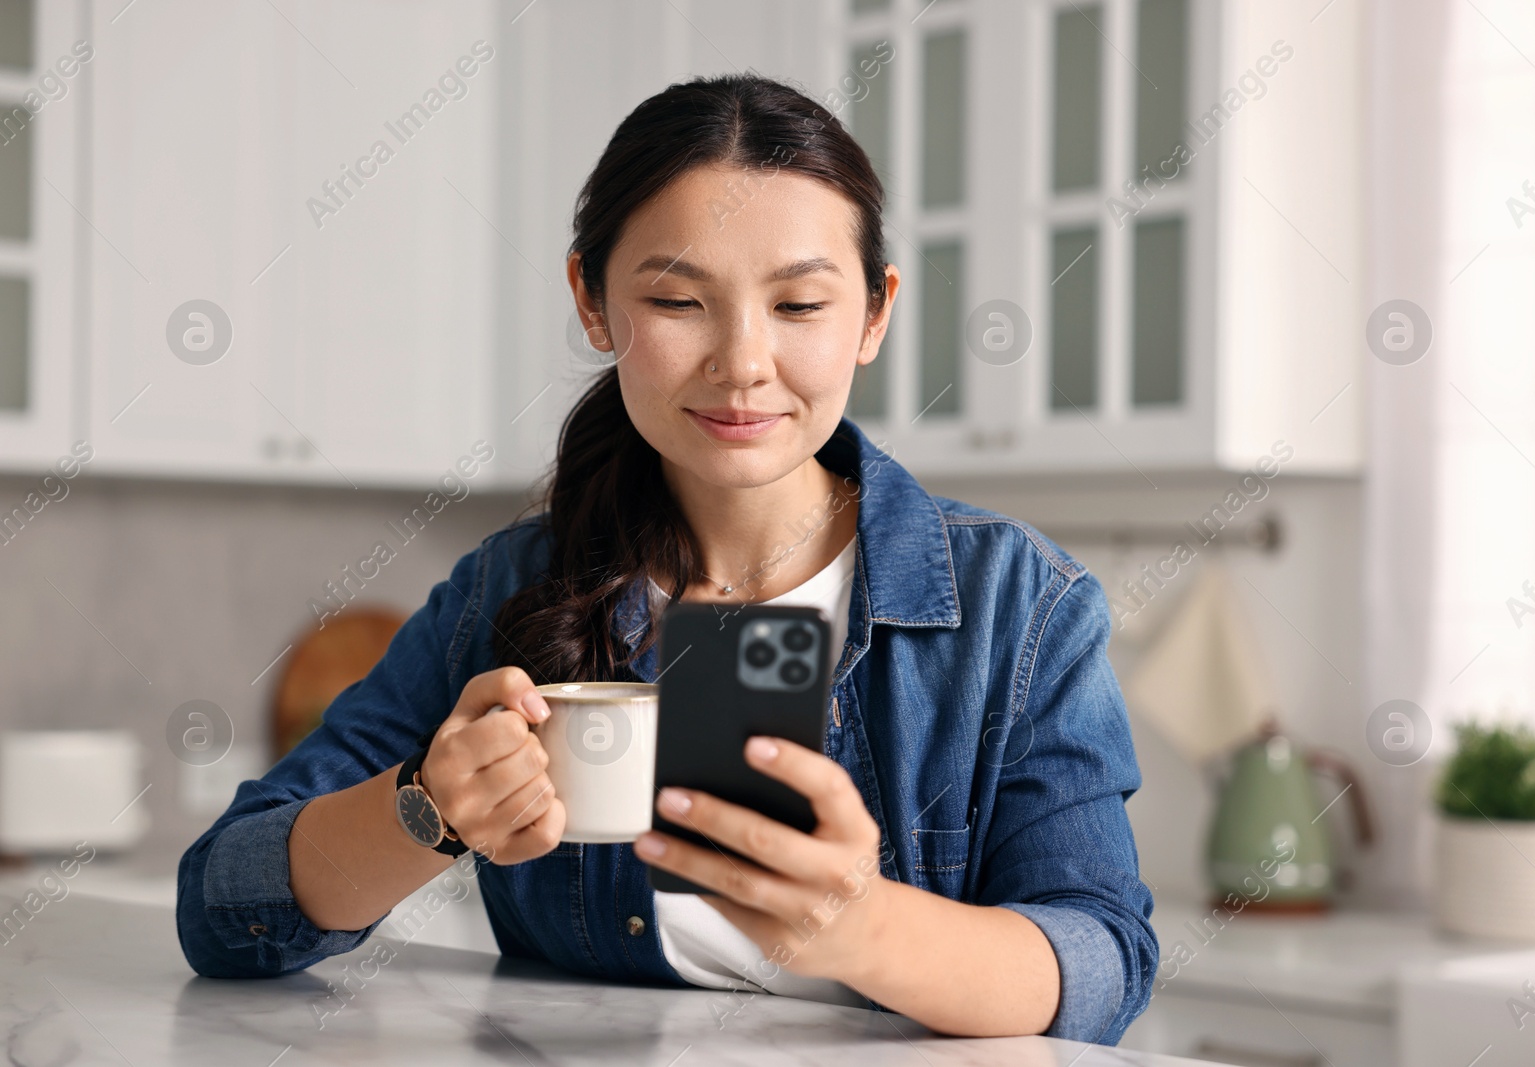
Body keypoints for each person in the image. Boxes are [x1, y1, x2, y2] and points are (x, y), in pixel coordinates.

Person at [176, 71, 1157, 1044]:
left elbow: (1101, 960)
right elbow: (223, 901)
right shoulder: (507, 590)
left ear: (873, 312)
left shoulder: (1021, 607)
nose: (741, 361)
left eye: (800, 305)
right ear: (593, 301)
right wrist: (427, 810)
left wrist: (864, 927)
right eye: (680, 299)